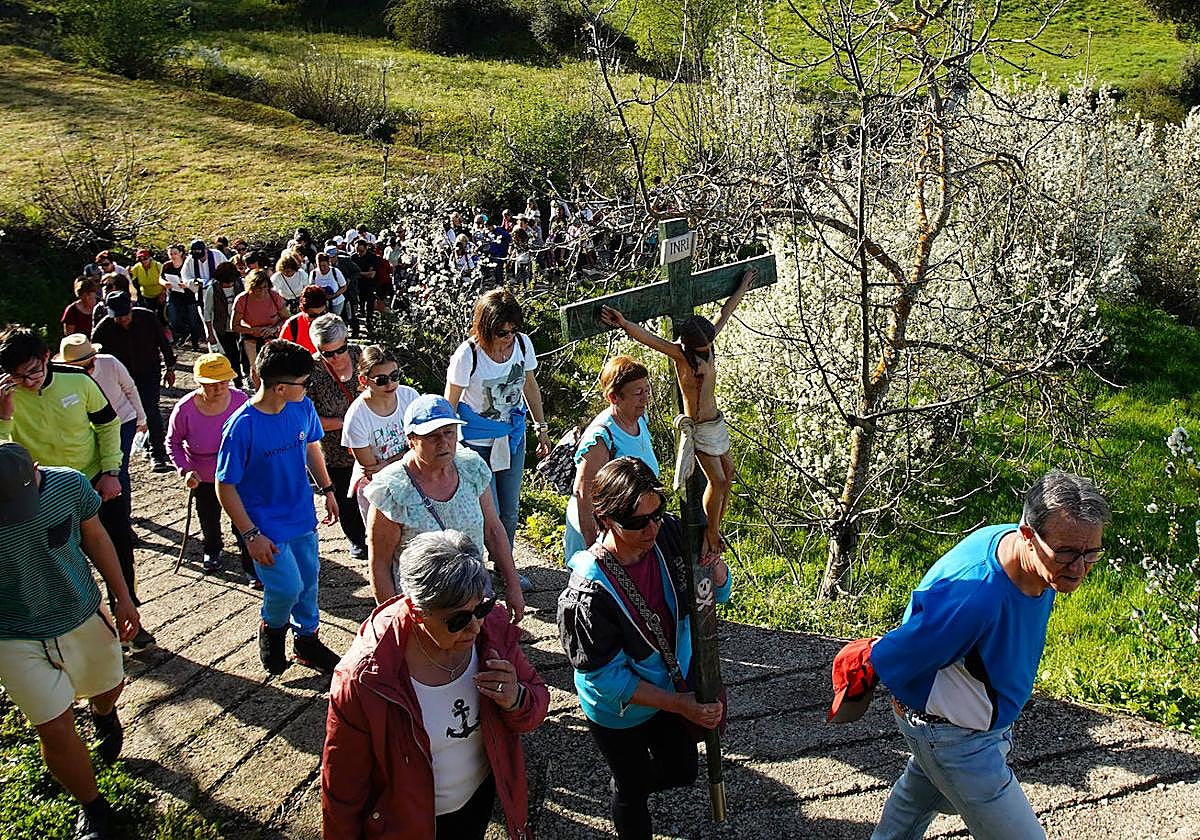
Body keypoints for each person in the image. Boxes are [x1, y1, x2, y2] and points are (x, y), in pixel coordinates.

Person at [848, 471, 1111, 840]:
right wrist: (877, 666)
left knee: (918, 802)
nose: (1079, 568)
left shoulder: (1035, 558)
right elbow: (900, 654)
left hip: (966, 729)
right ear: (1028, 536)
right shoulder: (976, 598)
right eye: (1067, 552)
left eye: (1091, 553)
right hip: (956, 739)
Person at [322, 530, 549, 839]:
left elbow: (536, 703)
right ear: (417, 612)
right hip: (408, 825)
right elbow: (343, 789)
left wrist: (516, 698)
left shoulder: (492, 630)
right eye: (457, 620)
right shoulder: (365, 678)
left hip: (477, 802)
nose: (475, 627)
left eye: (481, 608)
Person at [557, 457, 730, 840]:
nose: (651, 528)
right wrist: (680, 705)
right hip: (620, 710)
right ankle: (626, 791)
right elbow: (607, 680)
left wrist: (713, 564)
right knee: (632, 790)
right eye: (637, 522)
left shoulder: (669, 534)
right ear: (606, 520)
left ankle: (630, 784)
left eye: (657, 513)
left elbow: (717, 593)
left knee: (683, 770)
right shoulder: (588, 593)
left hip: (669, 687)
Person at [0, 442, 140, 840]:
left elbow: (96, 538)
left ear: (36, 471)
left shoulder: (69, 485)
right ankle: (93, 807)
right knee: (55, 729)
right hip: (13, 635)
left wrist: (123, 596)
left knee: (109, 685)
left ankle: (103, 712)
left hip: (80, 613)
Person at [0, 326, 156, 654]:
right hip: (40, 492)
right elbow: (3, 451)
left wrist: (112, 470)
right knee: (58, 560)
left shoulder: (77, 379)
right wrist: (4, 414)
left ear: (47, 357)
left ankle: (129, 617)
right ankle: (73, 631)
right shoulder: (6, 394)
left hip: (94, 481)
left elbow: (108, 423)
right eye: (18, 375)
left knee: (118, 551)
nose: (28, 382)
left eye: (33, 371)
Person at [600, 267, 757, 561]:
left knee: (729, 475)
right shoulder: (680, 354)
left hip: (715, 421)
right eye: (701, 349)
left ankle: (715, 526)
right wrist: (624, 323)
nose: (705, 352)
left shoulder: (705, 344)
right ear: (689, 345)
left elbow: (725, 312)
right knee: (718, 481)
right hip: (699, 426)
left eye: (708, 347)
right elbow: (648, 338)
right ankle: (711, 533)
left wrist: (743, 286)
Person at [215, 339, 342, 675]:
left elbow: (311, 447)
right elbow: (224, 485)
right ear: (281, 388)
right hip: (264, 528)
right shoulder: (241, 427)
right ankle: (272, 630)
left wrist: (327, 488)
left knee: (309, 582)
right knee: (287, 587)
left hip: (301, 517)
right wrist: (250, 534)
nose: (309, 388)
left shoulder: (302, 408)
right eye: (305, 383)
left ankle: (306, 641)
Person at [363, 394, 525, 622]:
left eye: (449, 432)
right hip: (423, 612)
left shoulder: (471, 468)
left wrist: (513, 585)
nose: (443, 442)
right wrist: (391, 621)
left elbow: (493, 531)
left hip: (475, 600)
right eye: (431, 436)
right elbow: (380, 565)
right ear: (411, 439)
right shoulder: (392, 490)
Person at [444, 289, 552, 577]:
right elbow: (449, 404)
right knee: (485, 513)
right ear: (485, 328)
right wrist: (447, 446)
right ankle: (477, 572)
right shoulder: (468, 355)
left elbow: (530, 386)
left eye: (513, 330)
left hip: (512, 436)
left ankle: (505, 567)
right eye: (502, 332)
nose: (509, 337)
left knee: (509, 510)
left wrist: (541, 427)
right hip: (476, 441)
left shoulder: (522, 345)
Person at [564, 356, 659, 561]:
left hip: (629, 533)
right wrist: (593, 547)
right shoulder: (601, 437)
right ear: (614, 397)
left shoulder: (640, 420)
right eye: (638, 393)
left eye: (646, 390)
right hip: (601, 536)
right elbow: (583, 493)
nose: (645, 399)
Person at [167, 354, 251, 578]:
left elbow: (254, 430)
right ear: (200, 383)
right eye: (213, 384)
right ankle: (212, 549)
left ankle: (250, 560)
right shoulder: (185, 408)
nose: (220, 388)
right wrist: (185, 469)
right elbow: (173, 442)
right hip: (203, 475)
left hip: (237, 471)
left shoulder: (240, 400)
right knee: (208, 516)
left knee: (242, 516)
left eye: (224, 382)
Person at [91, 290, 177, 474]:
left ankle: (157, 453)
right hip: (120, 377)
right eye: (118, 317)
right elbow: (93, 357)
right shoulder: (103, 328)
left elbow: (163, 343)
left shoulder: (147, 318)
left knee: (150, 409)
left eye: (125, 315)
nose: (123, 320)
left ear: (131, 308)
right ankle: (120, 452)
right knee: (123, 413)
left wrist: (170, 368)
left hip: (148, 372)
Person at [55, 334, 146, 507]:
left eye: (86, 366)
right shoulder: (63, 378)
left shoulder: (110, 363)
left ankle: (123, 514)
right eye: (76, 368)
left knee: (117, 470)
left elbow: (130, 388)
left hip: (122, 420)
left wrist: (141, 419)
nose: (83, 371)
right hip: (90, 427)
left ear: (94, 358)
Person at [306, 315, 368, 560]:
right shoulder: (311, 372)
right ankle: (357, 540)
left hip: (370, 443)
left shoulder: (361, 356)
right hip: (335, 449)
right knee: (345, 496)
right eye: (327, 353)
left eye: (340, 350)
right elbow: (308, 418)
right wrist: (346, 423)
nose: (336, 357)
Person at [342, 345, 418, 522]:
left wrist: (389, 463)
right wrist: (408, 455)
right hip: (378, 487)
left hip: (413, 478)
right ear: (363, 380)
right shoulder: (356, 417)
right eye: (381, 380)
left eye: (395, 376)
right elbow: (371, 470)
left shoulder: (410, 396)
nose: (390, 384)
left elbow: (424, 446)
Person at [232, 268, 288, 390]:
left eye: (265, 287)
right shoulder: (242, 299)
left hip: (271, 336)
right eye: (259, 288)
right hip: (250, 338)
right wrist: (253, 330)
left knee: (273, 368)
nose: (263, 291)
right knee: (256, 368)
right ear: (252, 287)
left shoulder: (275, 297)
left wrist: (273, 329)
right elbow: (234, 326)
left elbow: (285, 319)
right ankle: (259, 393)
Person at [202, 261, 247, 387]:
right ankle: (238, 382)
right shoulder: (212, 289)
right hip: (223, 328)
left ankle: (247, 375)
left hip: (242, 325)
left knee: (245, 353)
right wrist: (210, 333)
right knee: (232, 355)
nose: (229, 284)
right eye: (226, 282)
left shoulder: (241, 285)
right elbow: (207, 312)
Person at [161, 243, 204, 349]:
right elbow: (161, 278)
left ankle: (195, 342)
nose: (173, 256)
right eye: (170, 254)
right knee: (173, 319)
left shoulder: (188, 264)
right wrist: (165, 283)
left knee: (193, 320)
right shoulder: (167, 265)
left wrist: (187, 284)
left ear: (181, 253)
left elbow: (196, 279)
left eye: (175, 253)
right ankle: (183, 333)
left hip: (189, 296)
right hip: (174, 295)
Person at [281, 285, 328, 353]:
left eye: (322, 313)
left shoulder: (331, 321)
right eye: (313, 315)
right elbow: (281, 352)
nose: (318, 319)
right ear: (302, 309)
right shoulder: (292, 325)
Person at [129, 248, 166, 326]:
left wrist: (163, 293)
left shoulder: (158, 266)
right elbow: (129, 278)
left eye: (145, 258)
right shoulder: (137, 267)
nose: (143, 261)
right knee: (149, 317)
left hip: (160, 295)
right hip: (146, 295)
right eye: (140, 259)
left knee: (162, 316)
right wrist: (128, 272)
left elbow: (166, 280)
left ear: (150, 258)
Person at [310, 249, 348, 319]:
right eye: (319, 266)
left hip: (336, 301)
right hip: (321, 303)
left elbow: (344, 286)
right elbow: (311, 288)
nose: (322, 268)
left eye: (324, 265)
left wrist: (334, 295)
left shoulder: (335, 271)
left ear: (328, 263)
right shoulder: (314, 273)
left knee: (334, 320)